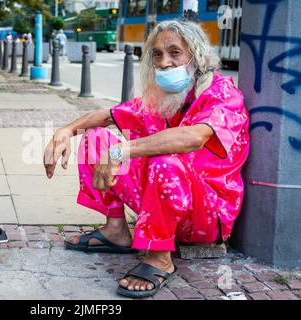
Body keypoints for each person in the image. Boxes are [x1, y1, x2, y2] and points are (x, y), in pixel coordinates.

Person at [43, 20, 250, 298]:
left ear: (197, 57)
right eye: (157, 54)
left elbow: (194, 137)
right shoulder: (163, 97)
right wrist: (65, 131)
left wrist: (121, 151)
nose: (164, 62)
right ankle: (116, 230)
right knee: (96, 139)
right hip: (167, 199)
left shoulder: (221, 93)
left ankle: (159, 257)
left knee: (163, 160)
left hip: (206, 216)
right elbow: (106, 116)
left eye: (175, 52)